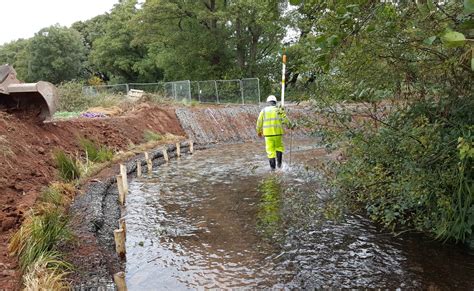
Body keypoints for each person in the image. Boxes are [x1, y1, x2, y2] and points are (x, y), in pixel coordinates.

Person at [256, 95, 290, 170]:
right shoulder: (279, 110)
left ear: (268, 102)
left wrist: (259, 131)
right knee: (279, 148)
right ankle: (280, 166)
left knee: (270, 151)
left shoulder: (264, 110)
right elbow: (286, 120)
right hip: (278, 133)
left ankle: (273, 170)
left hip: (268, 135)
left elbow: (259, 122)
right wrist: (290, 126)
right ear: (275, 102)